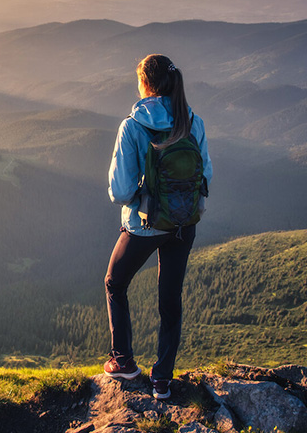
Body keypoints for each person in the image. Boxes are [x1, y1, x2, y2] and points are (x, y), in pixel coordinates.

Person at [103, 53, 212, 400]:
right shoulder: (193, 121)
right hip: (183, 223)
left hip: (145, 225)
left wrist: (143, 196)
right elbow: (206, 174)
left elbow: (121, 191)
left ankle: (123, 361)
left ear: (145, 84)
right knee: (170, 300)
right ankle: (162, 380)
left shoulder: (133, 126)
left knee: (115, 283)